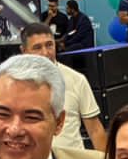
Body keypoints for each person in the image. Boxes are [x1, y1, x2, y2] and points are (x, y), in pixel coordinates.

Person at [21, 22, 106, 151]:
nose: (45, 53)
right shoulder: (14, 85)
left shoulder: (76, 80)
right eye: (37, 47)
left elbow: (95, 130)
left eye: (49, 45)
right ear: (24, 51)